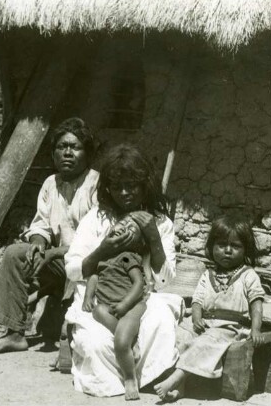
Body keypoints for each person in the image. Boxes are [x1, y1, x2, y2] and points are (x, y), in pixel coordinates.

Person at [64, 143, 183, 399]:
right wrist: (101, 252)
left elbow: (165, 280)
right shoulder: (97, 218)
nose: (125, 193)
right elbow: (73, 269)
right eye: (117, 187)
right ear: (107, 188)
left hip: (142, 297)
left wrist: (153, 237)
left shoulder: (160, 223)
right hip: (102, 297)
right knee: (96, 344)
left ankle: (147, 374)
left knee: (161, 321)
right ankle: (129, 369)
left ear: (145, 185)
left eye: (132, 185)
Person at [0, 117, 99, 356]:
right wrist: (38, 244)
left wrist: (54, 252)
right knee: (16, 253)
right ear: (53, 154)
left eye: (74, 147)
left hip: (90, 264)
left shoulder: (96, 184)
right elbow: (41, 224)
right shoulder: (50, 184)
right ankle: (14, 333)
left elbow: (97, 241)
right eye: (61, 147)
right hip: (58, 263)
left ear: (86, 153)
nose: (67, 153)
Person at [153, 214, 266, 402]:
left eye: (236, 246)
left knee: (206, 342)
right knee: (181, 335)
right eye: (221, 245)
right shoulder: (207, 274)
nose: (228, 251)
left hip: (230, 327)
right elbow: (197, 300)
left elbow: (257, 303)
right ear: (211, 247)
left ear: (246, 249)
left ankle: (174, 379)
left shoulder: (249, 275)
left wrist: (256, 329)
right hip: (206, 323)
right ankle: (180, 388)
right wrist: (196, 318)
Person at [81, 215, 149, 400]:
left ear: (136, 242)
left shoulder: (128, 257)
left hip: (131, 305)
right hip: (110, 307)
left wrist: (125, 304)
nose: (122, 227)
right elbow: (93, 278)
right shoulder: (103, 259)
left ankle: (129, 378)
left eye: (129, 229)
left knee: (120, 342)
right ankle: (130, 341)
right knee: (97, 311)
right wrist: (88, 296)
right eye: (117, 228)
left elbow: (139, 283)